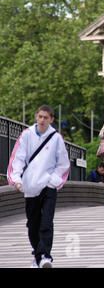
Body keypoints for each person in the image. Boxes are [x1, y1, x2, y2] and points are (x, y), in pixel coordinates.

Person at [7, 105, 70, 268]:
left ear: (52, 120)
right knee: (33, 223)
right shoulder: (26, 135)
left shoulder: (56, 138)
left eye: (46, 118)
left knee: (47, 222)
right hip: (30, 186)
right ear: (36, 116)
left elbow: (63, 163)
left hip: (48, 186)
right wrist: (16, 179)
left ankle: (45, 256)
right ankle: (37, 255)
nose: (42, 120)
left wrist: (53, 181)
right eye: (40, 116)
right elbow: (18, 159)